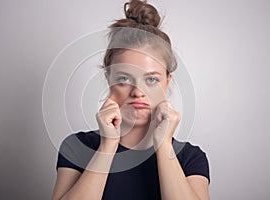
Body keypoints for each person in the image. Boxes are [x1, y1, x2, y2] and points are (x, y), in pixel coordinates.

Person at [51, 0, 210, 199]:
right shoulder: (78, 146)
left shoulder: (189, 158)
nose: (137, 92)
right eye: (124, 78)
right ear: (108, 78)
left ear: (167, 82)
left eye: (151, 79)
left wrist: (163, 146)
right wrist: (108, 145)